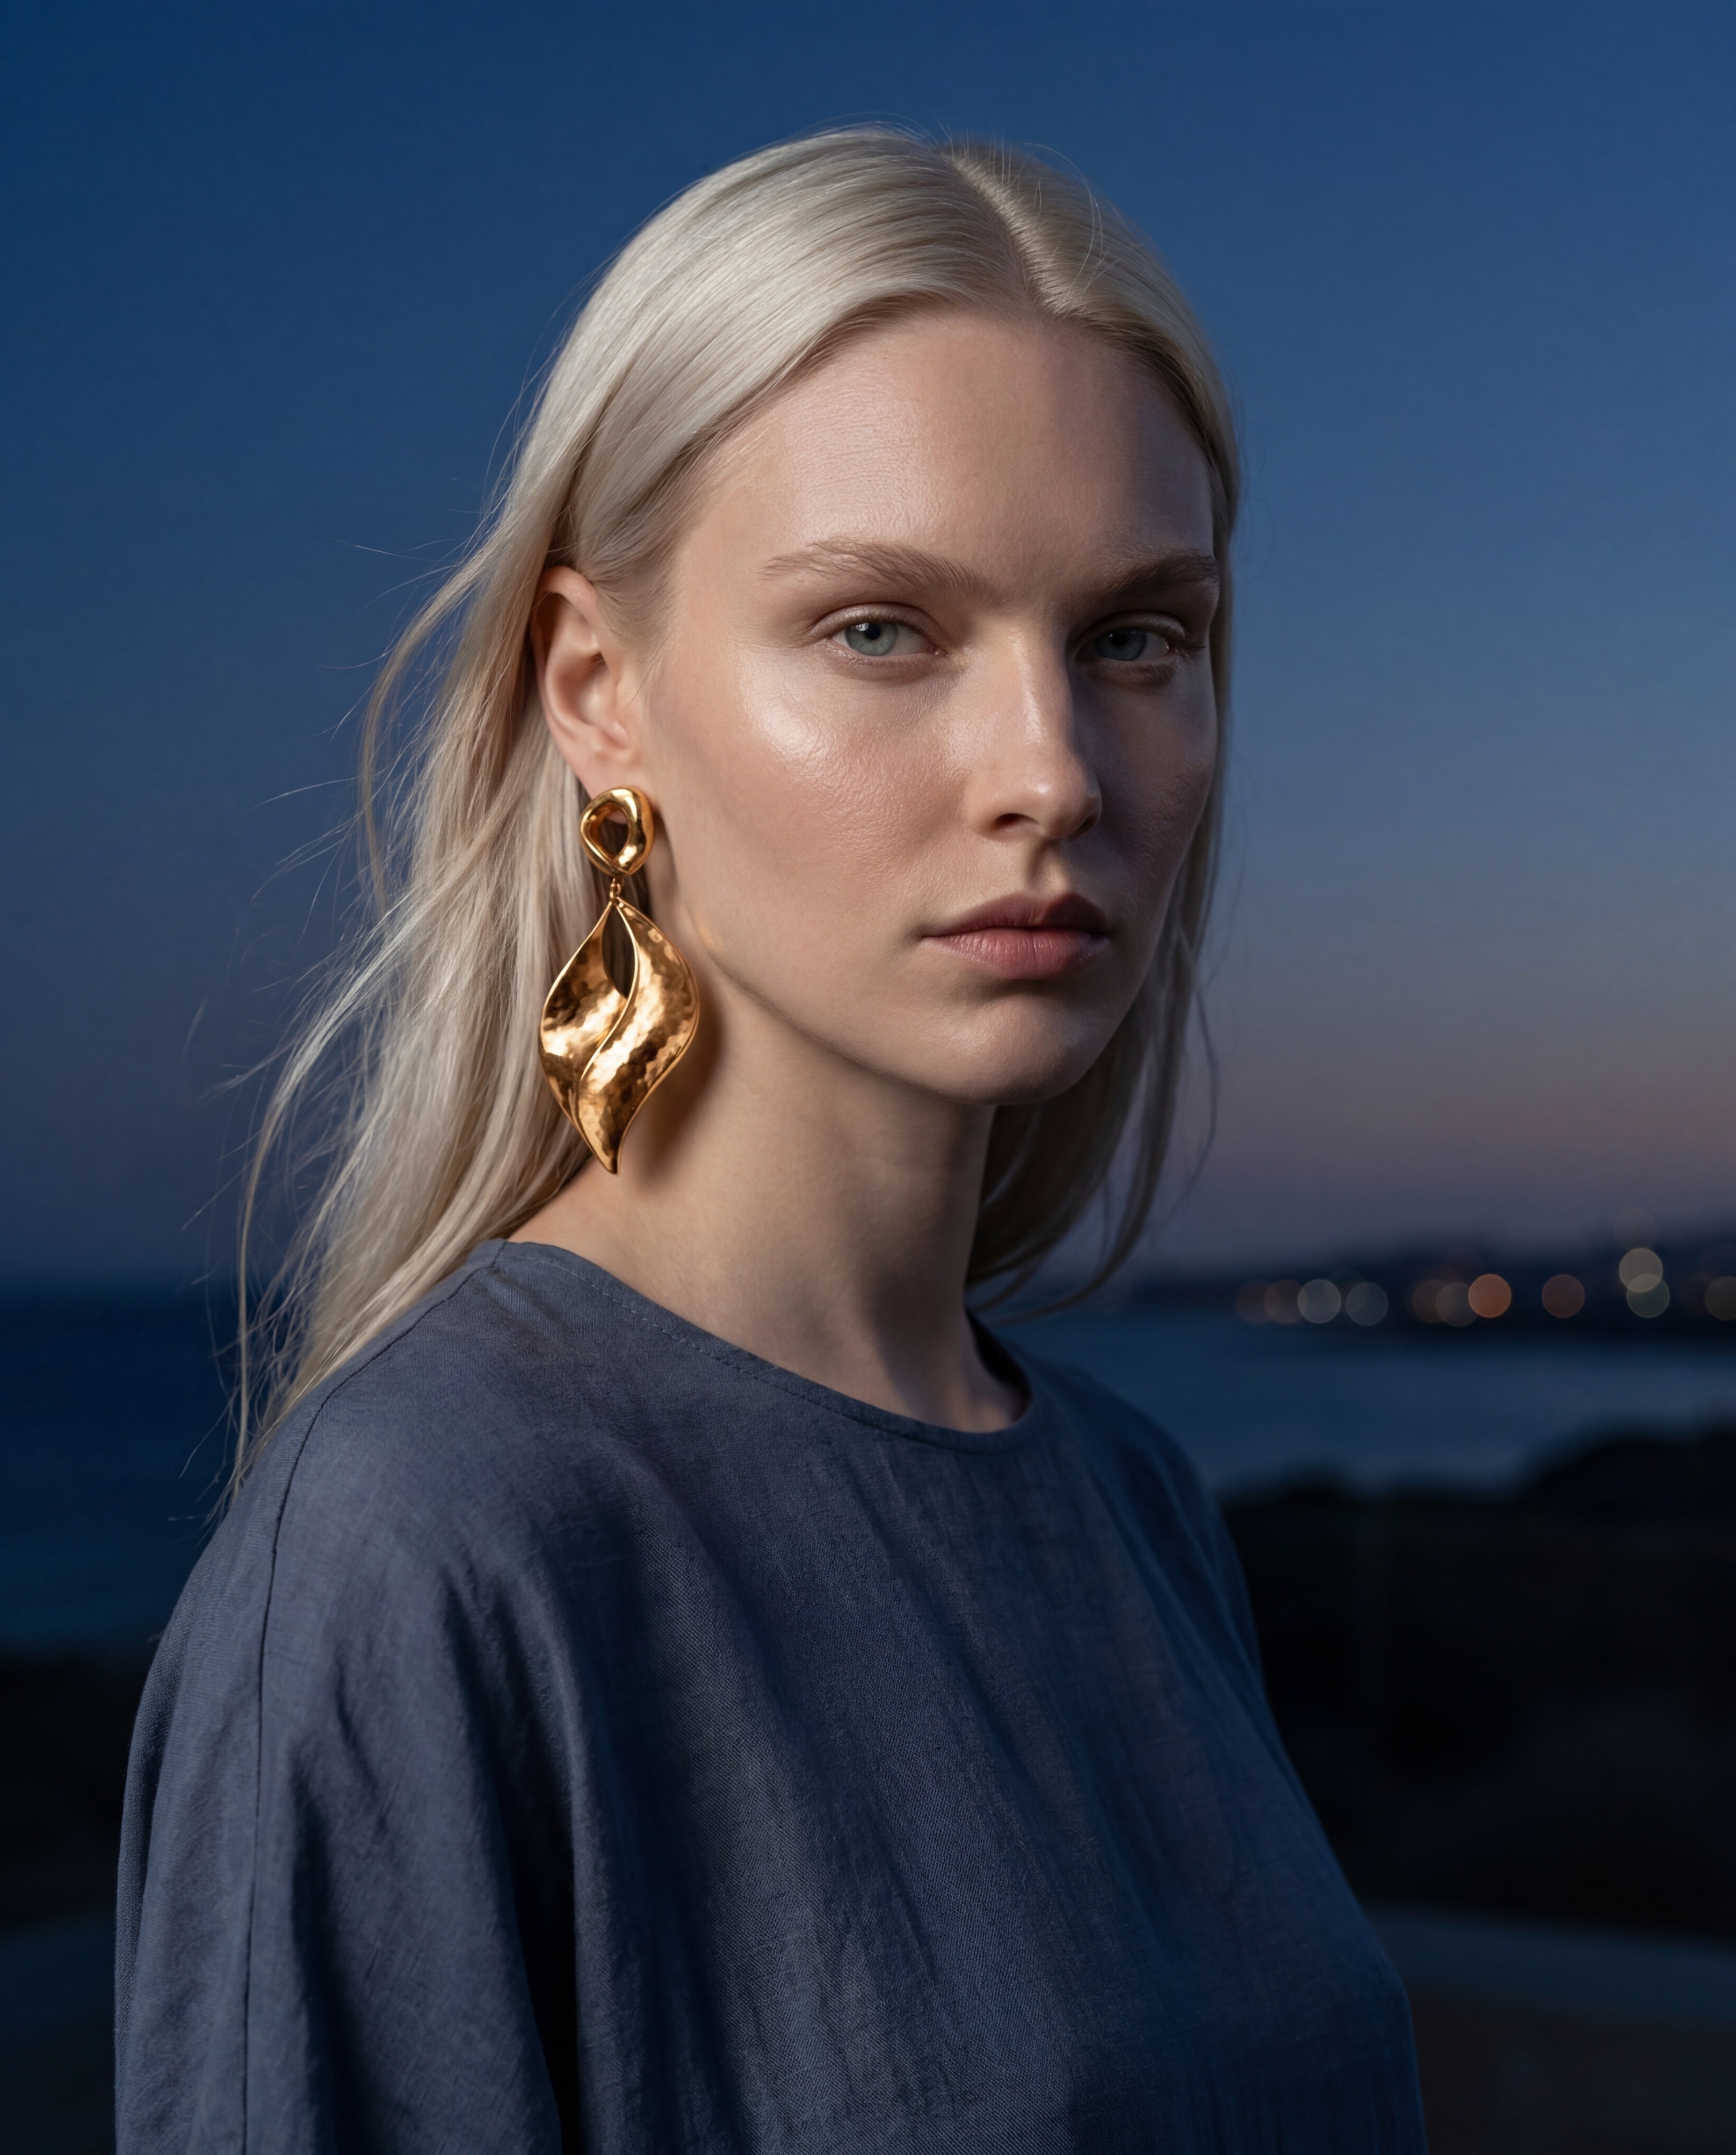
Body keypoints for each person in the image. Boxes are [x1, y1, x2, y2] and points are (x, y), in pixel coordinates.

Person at [116, 130, 1426, 2151]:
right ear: (599, 694)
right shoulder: (429, 1551)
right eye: (882, 629)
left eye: (1135, 639)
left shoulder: (1137, 1503)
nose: (1051, 772)